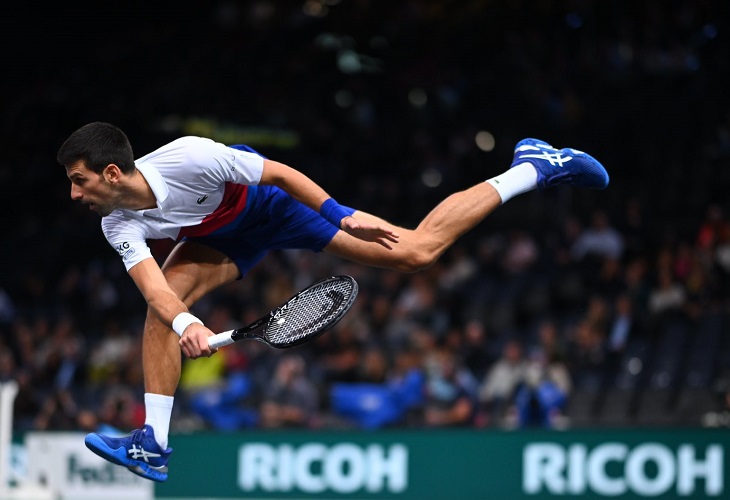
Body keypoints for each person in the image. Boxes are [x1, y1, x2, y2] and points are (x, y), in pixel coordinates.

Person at [56, 122, 609, 481]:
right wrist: (185, 322)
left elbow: (280, 173)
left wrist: (341, 213)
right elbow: (153, 285)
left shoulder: (189, 157)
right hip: (218, 235)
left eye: (79, 181)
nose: (74, 194)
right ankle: (153, 443)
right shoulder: (117, 220)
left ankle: (532, 167)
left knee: (416, 253)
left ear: (111, 172)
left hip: (272, 205)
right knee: (162, 310)